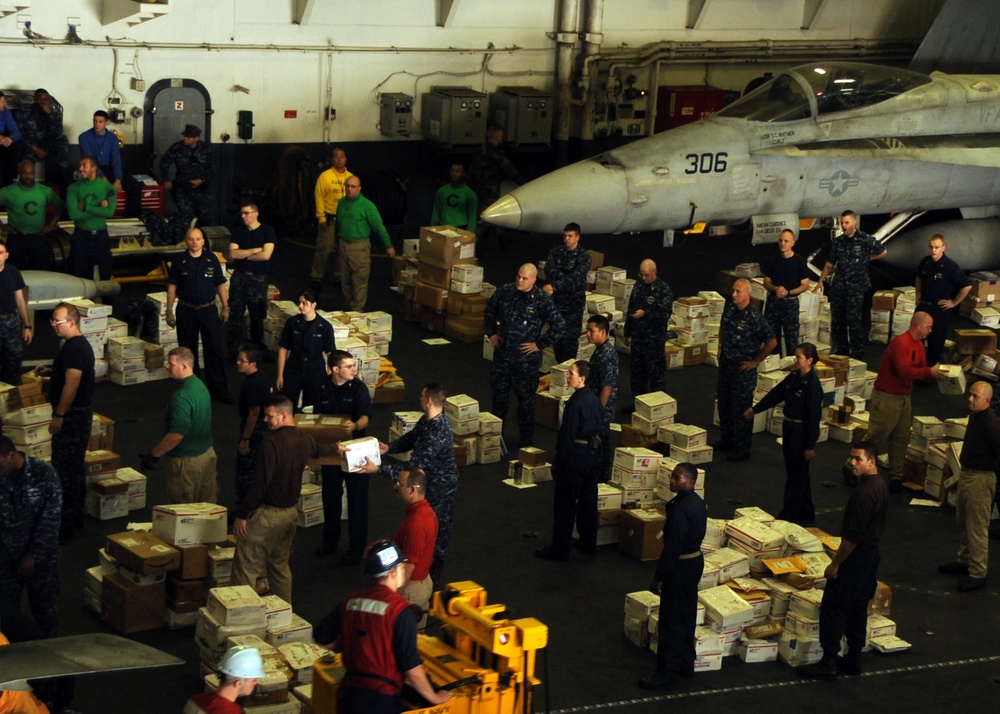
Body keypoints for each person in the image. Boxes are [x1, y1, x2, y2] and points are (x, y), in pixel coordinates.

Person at [313, 540, 452, 714]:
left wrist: (351, 645)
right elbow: (410, 666)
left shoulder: (350, 602)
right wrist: (434, 697)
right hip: (380, 700)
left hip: (349, 695)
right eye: (402, 566)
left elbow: (322, 637)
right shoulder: (400, 611)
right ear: (394, 572)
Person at [231, 395, 336, 604]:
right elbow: (321, 450)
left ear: (284, 415)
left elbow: (260, 485)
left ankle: (240, 617)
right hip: (290, 515)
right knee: (279, 567)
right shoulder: (303, 438)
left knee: (245, 568)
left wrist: (242, 514)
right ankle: (285, 615)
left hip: (267, 516)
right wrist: (338, 448)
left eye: (269, 417)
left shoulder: (271, 443)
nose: (265, 420)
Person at [797, 442, 887, 680]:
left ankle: (828, 663)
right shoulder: (879, 486)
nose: (852, 463)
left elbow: (852, 538)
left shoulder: (863, 495)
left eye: (858, 459)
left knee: (834, 609)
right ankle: (853, 659)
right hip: (871, 557)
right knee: (858, 608)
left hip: (856, 559)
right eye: (851, 458)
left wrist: (835, 564)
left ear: (872, 461)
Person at [355, 383, 458, 583]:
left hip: (440, 489)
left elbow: (414, 468)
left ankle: (429, 580)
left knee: (436, 534)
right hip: (427, 484)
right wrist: (389, 448)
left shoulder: (438, 430)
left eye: (421, 395)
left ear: (428, 400)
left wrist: (378, 469)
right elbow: (412, 437)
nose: (419, 398)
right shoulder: (429, 421)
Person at [639, 462, 707, 690]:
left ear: (691, 481)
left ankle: (666, 673)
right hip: (695, 561)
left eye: (678, 478)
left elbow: (672, 548)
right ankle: (686, 664)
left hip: (679, 567)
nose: (672, 481)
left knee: (671, 622)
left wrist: (659, 577)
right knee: (687, 616)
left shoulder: (679, 509)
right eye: (672, 477)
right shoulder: (697, 503)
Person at [484, 264, 565, 447]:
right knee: (499, 400)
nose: (520, 280)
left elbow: (559, 325)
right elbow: (489, 310)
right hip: (502, 358)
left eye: (525, 278)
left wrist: (539, 345)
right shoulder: (505, 291)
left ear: (534, 280)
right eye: (519, 276)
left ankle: (526, 440)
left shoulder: (541, 300)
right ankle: (496, 438)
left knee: (526, 403)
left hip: (525, 362)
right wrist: (491, 333)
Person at [33, 302, 94, 543]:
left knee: (65, 471)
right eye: (52, 321)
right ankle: (75, 516)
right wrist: (51, 372)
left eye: (57, 322)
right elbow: (68, 373)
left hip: (72, 417)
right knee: (75, 468)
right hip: (79, 414)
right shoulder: (74, 346)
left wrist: (59, 414)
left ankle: (64, 526)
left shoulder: (74, 349)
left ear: (72, 322)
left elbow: (73, 382)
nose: (53, 325)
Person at [744, 342, 824, 524]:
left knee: (796, 476)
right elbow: (776, 394)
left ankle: (789, 515)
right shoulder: (795, 377)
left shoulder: (812, 386)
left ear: (810, 360)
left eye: (799, 357)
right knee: (799, 474)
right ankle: (806, 514)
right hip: (789, 429)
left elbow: (813, 418)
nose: (795, 360)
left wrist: (810, 445)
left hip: (801, 433)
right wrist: (756, 409)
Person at [865, 311, 943, 493]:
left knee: (901, 438)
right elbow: (904, 371)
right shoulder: (901, 343)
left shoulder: (918, 345)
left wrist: (939, 376)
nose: (930, 331)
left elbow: (922, 370)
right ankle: (853, 465)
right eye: (929, 327)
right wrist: (930, 373)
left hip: (903, 398)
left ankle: (896, 476)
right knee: (877, 435)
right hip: (887, 397)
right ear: (918, 325)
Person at [536, 360, 603, 561]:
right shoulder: (594, 400)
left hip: (575, 456)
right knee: (588, 502)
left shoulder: (575, 402)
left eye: (571, 373)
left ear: (582, 379)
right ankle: (588, 542)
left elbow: (567, 434)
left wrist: (559, 461)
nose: (567, 376)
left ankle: (560, 549)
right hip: (592, 456)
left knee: (565, 504)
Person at [938, 381, 1000, 593]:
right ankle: (964, 560)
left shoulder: (991, 424)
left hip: (980, 480)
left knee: (977, 528)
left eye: (975, 396)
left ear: (987, 400)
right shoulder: (976, 418)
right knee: (963, 521)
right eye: (970, 395)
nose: (970, 399)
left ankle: (977, 573)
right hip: (967, 475)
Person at [0, 435, 62, 639]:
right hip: (5, 558)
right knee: (6, 615)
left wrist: (33, 555)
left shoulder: (43, 473)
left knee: (45, 611)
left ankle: (51, 658)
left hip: (41, 559)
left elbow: (50, 519)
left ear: (11, 455)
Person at [315, 350, 373, 564]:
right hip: (332, 450)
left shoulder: (359, 388)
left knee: (357, 501)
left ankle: (357, 549)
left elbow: (366, 417)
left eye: (353, 365)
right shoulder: (322, 386)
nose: (353, 369)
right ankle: (330, 542)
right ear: (335, 369)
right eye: (348, 366)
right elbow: (318, 417)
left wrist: (355, 425)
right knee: (330, 497)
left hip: (356, 449)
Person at [140, 347, 218, 504]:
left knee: (183, 515)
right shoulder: (200, 385)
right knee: (207, 508)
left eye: (171, 363)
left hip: (186, 464)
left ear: (184, 366)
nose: (166, 366)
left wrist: (153, 455)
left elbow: (176, 434)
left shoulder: (181, 396)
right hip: (207, 456)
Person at [166, 227, 231, 403]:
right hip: (186, 310)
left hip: (208, 310)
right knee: (188, 352)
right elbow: (172, 287)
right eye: (191, 239)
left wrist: (225, 306)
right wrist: (169, 310)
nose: (194, 242)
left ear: (203, 241)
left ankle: (219, 392)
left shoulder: (212, 259)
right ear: (186, 241)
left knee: (215, 351)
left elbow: (220, 284)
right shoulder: (179, 261)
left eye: (198, 239)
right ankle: (194, 392)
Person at [715, 279, 777, 462]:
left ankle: (742, 447)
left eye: (738, 292)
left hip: (742, 372)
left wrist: (755, 361)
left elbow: (771, 341)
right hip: (726, 367)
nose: (734, 295)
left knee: (741, 410)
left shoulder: (755, 317)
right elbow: (722, 326)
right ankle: (728, 439)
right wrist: (720, 346)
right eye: (733, 291)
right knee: (724, 404)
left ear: (748, 294)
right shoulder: (730, 309)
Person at [814, 210, 886, 359]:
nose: (844, 226)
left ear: (854, 222)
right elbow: (829, 263)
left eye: (846, 222)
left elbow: (883, 251)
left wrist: (867, 259)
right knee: (838, 320)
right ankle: (842, 350)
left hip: (856, 288)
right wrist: (821, 281)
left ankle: (857, 352)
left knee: (853, 322)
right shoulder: (838, 242)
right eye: (842, 223)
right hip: (839, 286)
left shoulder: (865, 239)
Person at [336, 176, 396, 311]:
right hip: (343, 244)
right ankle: (351, 305)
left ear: (359, 188)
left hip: (359, 246)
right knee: (344, 279)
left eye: (353, 186)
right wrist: (336, 241)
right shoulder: (342, 203)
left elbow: (379, 227)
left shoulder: (367, 206)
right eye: (347, 186)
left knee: (359, 279)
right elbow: (338, 224)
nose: (349, 189)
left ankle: (357, 309)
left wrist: (388, 245)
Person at [391, 467, 439, 630]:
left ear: (412, 490)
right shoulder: (427, 512)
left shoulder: (416, 523)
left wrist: (394, 595)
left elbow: (409, 566)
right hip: (421, 583)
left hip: (410, 590)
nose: (396, 486)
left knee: (407, 642)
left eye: (400, 484)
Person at [226, 202, 275, 358]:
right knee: (236, 315)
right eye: (242, 213)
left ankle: (257, 350)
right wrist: (254, 250)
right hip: (239, 277)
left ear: (256, 213)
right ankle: (233, 350)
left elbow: (266, 255)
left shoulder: (267, 231)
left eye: (246, 213)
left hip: (258, 279)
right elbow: (233, 255)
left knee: (257, 316)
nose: (243, 216)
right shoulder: (237, 232)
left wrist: (243, 254)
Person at [915, 234, 971, 366]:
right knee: (916, 341)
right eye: (931, 247)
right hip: (923, 307)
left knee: (935, 344)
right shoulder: (925, 262)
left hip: (938, 310)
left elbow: (967, 285)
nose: (933, 250)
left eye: (937, 247)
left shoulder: (950, 266)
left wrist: (954, 302)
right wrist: (918, 293)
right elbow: (918, 276)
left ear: (943, 248)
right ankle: (915, 370)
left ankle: (930, 376)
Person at [623, 259, 673, 405]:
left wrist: (646, 313)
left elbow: (664, 315)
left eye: (646, 275)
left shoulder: (663, 289)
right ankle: (638, 405)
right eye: (641, 275)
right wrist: (627, 332)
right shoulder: (638, 286)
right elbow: (631, 308)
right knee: (637, 375)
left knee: (656, 375)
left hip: (653, 342)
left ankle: (658, 406)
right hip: (638, 339)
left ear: (654, 272)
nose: (643, 278)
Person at [276, 288, 336, 410]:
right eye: (300, 302)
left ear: (314, 305)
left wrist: (329, 378)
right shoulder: (292, 323)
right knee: (286, 403)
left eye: (304, 303)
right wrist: (280, 375)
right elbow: (283, 349)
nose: (300, 306)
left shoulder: (325, 327)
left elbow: (331, 354)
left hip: (315, 370)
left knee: (312, 406)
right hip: (294, 367)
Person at [0, 159, 64, 270]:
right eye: (25, 173)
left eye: (31, 173)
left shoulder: (45, 191)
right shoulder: (8, 191)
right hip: (16, 237)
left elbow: (60, 206)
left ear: (34, 174)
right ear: (19, 173)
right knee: (15, 272)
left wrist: (50, 225)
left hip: (37, 237)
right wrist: (1, 225)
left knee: (41, 271)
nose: (28, 176)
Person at [542, 222, 591, 363]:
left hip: (573, 305)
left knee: (569, 339)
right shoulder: (557, 252)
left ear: (577, 237)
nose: (567, 239)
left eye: (570, 236)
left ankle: (569, 369)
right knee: (557, 335)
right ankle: (560, 367)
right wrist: (564, 276)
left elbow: (575, 280)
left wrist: (556, 284)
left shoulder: (583, 256)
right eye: (565, 236)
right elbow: (548, 270)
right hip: (558, 302)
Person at [467, 125, 522, 249]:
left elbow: (471, 172)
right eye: (501, 135)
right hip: (490, 190)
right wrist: (523, 183)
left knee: (488, 214)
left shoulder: (479, 151)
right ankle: (470, 245)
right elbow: (510, 170)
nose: (502, 138)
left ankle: (501, 238)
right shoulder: (496, 154)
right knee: (486, 217)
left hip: (478, 189)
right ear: (496, 136)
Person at [762, 229, 812, 357]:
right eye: (780, 240)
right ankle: (774, 367)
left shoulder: (799, 261)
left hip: (790, 303)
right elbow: (766, 282)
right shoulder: (772, 260)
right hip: (774, 302)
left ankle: (792, 367)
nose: (782, 243)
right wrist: (775, 288)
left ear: (792, 243)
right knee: (772, 338)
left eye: (786, 241)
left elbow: (805, 285)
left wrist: (788, 292)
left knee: (791, 339)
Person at [235, 344, 272, 510]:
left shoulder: (252, 385)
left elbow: (253, 413)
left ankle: (245, 509)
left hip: (254, 432)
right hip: (264, 430)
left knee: (246, 472)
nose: (238, 362)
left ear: (253, 363)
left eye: (242, 361)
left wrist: (245, 438)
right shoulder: (261, 377)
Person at [66, 155, 116, 280]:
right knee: (77, 275)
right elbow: (73, 214)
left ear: (94, 168)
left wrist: (87, 208)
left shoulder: (108, 188)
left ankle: (106, 300)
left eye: (84, 166)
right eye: (80, 166)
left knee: (105, 275)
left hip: (101, 237)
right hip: (81, 237)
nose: (80, 169)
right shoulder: (73, 188)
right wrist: (99, 209)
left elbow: (110, 212)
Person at [311, 147, 353, 289]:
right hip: (329, 219)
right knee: (323, 249)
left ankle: (339, 276)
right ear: (332, 159)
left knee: (343, 250)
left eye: (342, 156)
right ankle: (316, 277)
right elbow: (319, 197)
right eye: (336, 157)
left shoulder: (351, 178)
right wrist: (321, 217)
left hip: (345, 220)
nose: (339, 159)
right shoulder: (325, 177)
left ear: (346, 159)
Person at [14, 88, 71, 189]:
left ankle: (64, 183)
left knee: (63, 141)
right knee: (26, 154)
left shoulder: (55, 112)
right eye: (39, 99)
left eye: (45, 99)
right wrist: (35, 148)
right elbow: (19, 134)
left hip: (48, 144)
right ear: (34, 99)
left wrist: (50, 115)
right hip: (30, 145)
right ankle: (27, 186)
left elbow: (57, 134)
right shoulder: (24, 111)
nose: (43, 102)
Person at [184, 645, 265, 714]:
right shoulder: (230, 711)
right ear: (238, 683)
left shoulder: (196, 699)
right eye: (253, 679)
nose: (256, 682)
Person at [160, 124, 213, 227]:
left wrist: (202, 180)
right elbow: (164, 163)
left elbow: (211, 168)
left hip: (201, 189)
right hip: (182, 187)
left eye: (188, 137)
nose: (185, 138)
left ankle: (202, 240)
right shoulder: (177, 148)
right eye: (185, 136)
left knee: (204, 217)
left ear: (196, 138)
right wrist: (166, 179)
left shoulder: (205, 149)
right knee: (186, 216)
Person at [586, 314, 618, 481]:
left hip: (602, 408)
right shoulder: (601, 350)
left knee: (600, 443)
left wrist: (598, 410)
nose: (588, 334)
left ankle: (601, 478)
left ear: (603, 332)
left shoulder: (606, 355)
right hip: (598, 405)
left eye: (592, 331)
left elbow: (607, 386)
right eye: (587, 331)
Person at [0, 239, 32, 385]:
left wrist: (27, 326)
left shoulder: (12, 272)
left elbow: (20, 300)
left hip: (10, 322)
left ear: (6, 255)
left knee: (13, 360)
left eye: (0, 252)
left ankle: (12, 397)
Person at [77, 110, 122, 192]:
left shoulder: (113, 138)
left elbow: (116, 160)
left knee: (135, 186)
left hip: (109, 168)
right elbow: (90, 161)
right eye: (95, 121)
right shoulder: (84, 137)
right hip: (92, 168)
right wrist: (103, 178)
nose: (97, 124)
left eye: (100, 121)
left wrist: (118, 180)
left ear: (106, 123)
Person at [430, 162, 477, 231]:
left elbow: (472, 215)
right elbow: (436, 212)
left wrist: (470, 233)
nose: (454, 174)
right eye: (452, 171)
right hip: (443, 227)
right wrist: (433, 228)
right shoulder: (441, 191)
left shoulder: (470, 194)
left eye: (458, 171)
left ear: (464, 174)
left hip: (461, 228)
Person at [0, 91, 27, 186]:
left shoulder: (5, 112)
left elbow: (15, 131)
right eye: (2, 101)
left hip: (4, 141)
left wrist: (10, 138)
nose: (5, 104)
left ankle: (8, 182)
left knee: (18, 146)